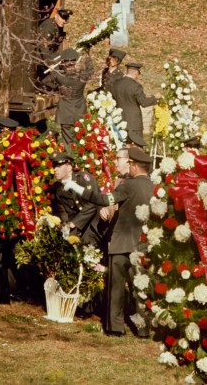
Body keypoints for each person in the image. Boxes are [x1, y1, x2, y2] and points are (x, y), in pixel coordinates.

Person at [63, 147, 154, 336]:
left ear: (134, 166)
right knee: (140, 288)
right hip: (143, 245)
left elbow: (102, 199)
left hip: (121, 244)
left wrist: (77, 188)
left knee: (116, 289)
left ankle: (115, 327)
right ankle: (143, 329)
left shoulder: (128, 185)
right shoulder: (155, 188)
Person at [50, 152, 104, 247]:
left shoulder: (83, 179)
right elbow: (65, 213)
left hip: (95, 225)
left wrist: (75, 223)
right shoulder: (59, 190)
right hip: (78, 228)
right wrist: (66, 227)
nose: (55, 170)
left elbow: (93, 202)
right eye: (54, 167)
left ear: (69, 167)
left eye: (58, 166)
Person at [41, 48, 91, 149]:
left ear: (63, 62)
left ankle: (69, 155)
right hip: (79, 111)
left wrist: (57, 88)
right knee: (80, 140)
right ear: (76, 61)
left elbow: (45, 81)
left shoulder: (59, 76)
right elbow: (90, 69)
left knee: (67, 141)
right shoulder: (83, 75)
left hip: (65, 112)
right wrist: (88, 56)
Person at [111, 62, 159, 151]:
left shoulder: (116, 84)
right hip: (134, 123)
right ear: (136, 72)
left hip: (119, 120)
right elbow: (144, 102)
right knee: (137, 149)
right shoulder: (136, 86)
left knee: (122, 148)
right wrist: (154, 98)